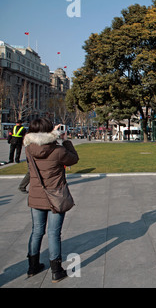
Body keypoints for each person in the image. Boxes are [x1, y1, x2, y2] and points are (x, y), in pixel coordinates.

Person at [24, 118, 79, 282]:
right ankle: (56, 271)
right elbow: (73, 159)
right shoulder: (58, 150)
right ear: (50, 131)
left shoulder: (28, 149)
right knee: (54, 234)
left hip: (36, 196)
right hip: (56, 196)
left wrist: (51, 135)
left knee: (37, 232)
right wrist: (65, 140)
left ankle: (32, 267)